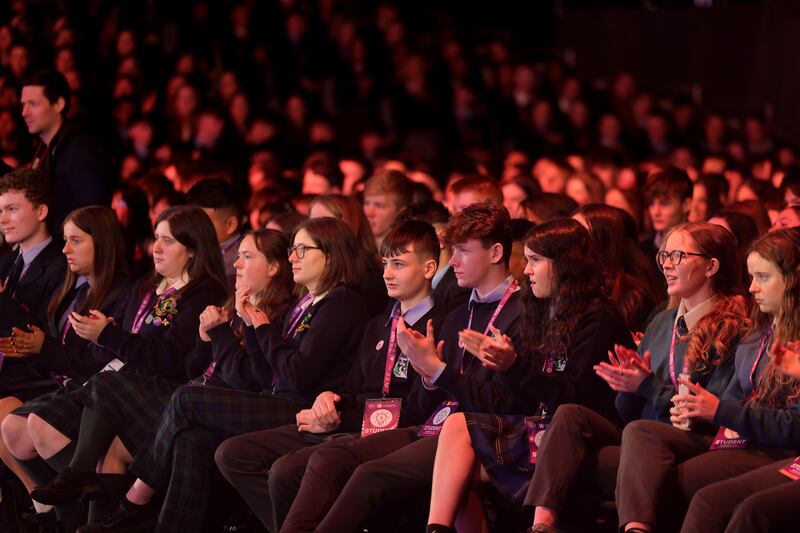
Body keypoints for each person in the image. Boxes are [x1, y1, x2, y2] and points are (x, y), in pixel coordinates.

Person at [76, 217, 369, 532]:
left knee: (185, 399)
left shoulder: (341, 302)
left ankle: (134, 501)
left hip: (304, 410)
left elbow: (294, 377)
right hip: (275, 399)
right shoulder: (308, 301)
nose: (292, 257)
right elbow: (263, 371)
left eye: (302, 249)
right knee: (191, 440)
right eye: (292, 249)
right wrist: (251, 326)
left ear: (331, 255)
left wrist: (259, 327)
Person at [277, 202, 525, 532]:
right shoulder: (456, 315)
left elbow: (501, 403)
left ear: (495, 253)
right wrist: (429, 378)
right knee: (319, 461)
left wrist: (436, 372)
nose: (454, 263)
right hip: (430, 427)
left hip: (480, 435)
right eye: (453, 251)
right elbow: (425, 405)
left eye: (463, 251)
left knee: (367, 473)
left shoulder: (522, 312)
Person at [214, 219, 445, 531]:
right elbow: (350, 387)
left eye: (399, 264)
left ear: (429, 268)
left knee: (287, 470)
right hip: (349, 420)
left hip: (392, 431)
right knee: (233, 453)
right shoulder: (379, 323)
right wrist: (329, 400)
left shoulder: (440, 324)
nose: (388, 273)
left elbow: (418, 409)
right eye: (386, 263)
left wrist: (338, 416)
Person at [524, 222, 750, 533]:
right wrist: (627, 386)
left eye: (679, 256)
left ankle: (635, 528)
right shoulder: (662, 321)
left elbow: (715, 414)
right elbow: (625, 413)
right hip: (643, 433)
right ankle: (542, 525)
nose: (668, 265)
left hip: (697, 438)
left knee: (642, 432)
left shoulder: (735, 327)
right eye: (664, 256)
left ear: (711, 266)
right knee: (569, 415)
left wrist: (647, 386)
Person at [425, 218, 635, 533]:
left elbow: (574, 397)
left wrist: (514, 367)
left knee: (565, 415)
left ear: (565, 265)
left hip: (587, 427)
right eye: (527, 260)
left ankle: (542, 527)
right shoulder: (539, 310)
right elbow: (524, 396)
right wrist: (504, 366)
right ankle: (436, 529)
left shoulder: (598, 318)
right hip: (541, 424)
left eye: (535, 260)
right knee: (458, 431)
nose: (526, 270)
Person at [617, 229, 800, 533]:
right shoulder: (758, 334)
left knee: (708, 498)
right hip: (743, 443)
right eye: (751, 276)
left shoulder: (743, 328)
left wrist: (712, 409)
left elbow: (789, 426)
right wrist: (632, 386)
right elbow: (729, 403)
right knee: (637, 440)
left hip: (779, 451)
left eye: (763, 277)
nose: (752, 287)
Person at [0, 206, 130, 527]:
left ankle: (83, 507)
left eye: (75, 241)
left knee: (31, 424)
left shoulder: (122, 293)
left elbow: (94, 362)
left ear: (100, 243)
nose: (65, 249)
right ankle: (51, 511)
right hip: (64, 383)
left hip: (95, 391)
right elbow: (50, 339)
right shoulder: (76, 288)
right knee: (9, 426)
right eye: (64, 240)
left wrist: (42, 347)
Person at [0, 168, 67, 400]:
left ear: (41, 211)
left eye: (12, 209)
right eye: (0, 210)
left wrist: (2, 298)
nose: (2, 220)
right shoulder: (6, 262)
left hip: (34, 384)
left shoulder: (62, 266)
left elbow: (36, 337)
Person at [20, 70, 111, 225]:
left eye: (33, 104)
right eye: (23, 105)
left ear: (58, 105)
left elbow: (94, 218)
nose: (24, 112)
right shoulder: (43, 151)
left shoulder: (82, 151)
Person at [572, 204, 659, 332]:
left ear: (602, 241)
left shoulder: (631, 297)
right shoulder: (572, 284)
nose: (570, 241)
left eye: (580, 234)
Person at [307, 193, 389, 316]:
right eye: (311, 223)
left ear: (348, 226)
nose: (313, 231)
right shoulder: (313, 267)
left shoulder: (368, 277)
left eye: (324, 223)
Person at [394, 200, 471, 314]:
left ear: (442, 238)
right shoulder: (404, 287)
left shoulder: (460, 291)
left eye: (413, 239)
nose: (401, 251)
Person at [186, 178, 246, 292]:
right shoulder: (190, 250)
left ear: (230, 225)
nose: (193, 228)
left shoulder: (239, 265)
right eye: (190, 221)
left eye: (202, 222)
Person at [362, 169, 414, 249]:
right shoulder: (355, 247)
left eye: (379, 205)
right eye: (366, 203)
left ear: (401, 212)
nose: (369, 213)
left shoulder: (412, 252)